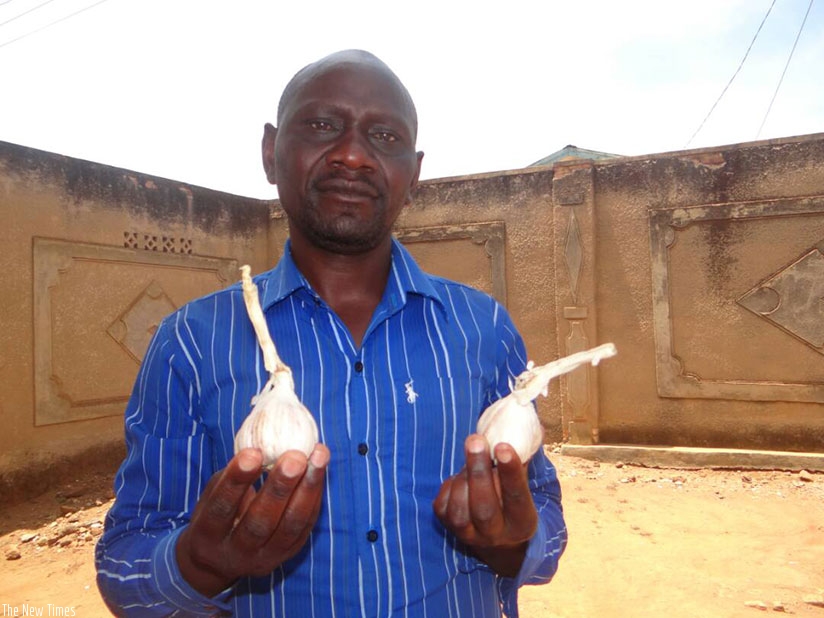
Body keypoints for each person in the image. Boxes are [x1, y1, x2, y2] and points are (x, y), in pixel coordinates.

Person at [96, 49, 567, 618]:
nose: (352, 154)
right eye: (322, 126)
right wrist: (201, 561)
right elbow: (123, 564)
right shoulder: (191, 342)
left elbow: (546, 517)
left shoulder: (484, 328)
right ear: (270, 152)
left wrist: (512, 543)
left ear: (413, 175)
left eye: (385, 137)